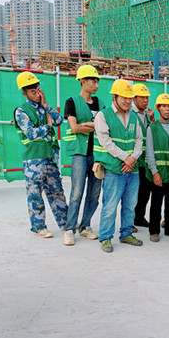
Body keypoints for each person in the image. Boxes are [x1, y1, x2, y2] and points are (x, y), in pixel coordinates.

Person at [14, 71, 67, 238]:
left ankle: (65, 223)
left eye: (38, 90)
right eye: (33, 92)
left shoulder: (44, 107)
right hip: (33, 161)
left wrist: (46, 105)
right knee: (35, 195)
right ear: (24, 93)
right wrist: (47, 127)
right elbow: (31, 134)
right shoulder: (21, 111)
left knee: (57, 192)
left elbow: (59, 120)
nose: (37, 94)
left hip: (50, 158)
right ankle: (38, 227)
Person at [94, 79, 144, 253]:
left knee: (130, 204)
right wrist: (126, 158)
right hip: (114, 169)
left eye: (130, 98)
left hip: (132, 169)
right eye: (124, 97)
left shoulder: (134, 116)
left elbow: (139, 139)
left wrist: (133, 158)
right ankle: (106, 237)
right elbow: (105, 141)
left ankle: (126, 234)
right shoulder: (103, 116)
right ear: (114, 96)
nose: (128, 101)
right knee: (110, 205)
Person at [61, 65, 105, 246]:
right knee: (76, 193)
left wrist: (86, 125)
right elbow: (74, 127)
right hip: (80, 154)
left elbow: (105, 126)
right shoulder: (71, 102)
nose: (96, 84)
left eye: (97, 81)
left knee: (94, 194)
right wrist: (93, 125)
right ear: (83, 81)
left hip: (98, 155)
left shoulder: (100, 103)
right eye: (93, 81)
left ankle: (85, 226)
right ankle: (70, 229)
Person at [145, 93, 169, 242]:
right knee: (156, 203)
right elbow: (149, 152)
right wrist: (154, 172)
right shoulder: (152, 128)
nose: (167, 109)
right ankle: (154, 231)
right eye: (164, 106)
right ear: (158, 108)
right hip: (159, 172)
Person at [132, 83, 155, 229]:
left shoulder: (147, 115)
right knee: (132, 194)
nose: (145, 100)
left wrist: (152, 119)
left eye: (147, 97)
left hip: (145, 160)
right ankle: (130, 220)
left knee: (145, 192)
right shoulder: (130, 114)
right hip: (135, 160)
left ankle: (139, 217)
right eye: (142, 97)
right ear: (134, 98)